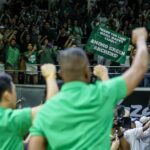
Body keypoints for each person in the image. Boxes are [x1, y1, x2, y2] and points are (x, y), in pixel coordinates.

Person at [28, 27, 148, 150]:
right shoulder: (101, 94)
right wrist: (140, 40)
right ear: (88, 72)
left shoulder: (47, 109)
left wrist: (49, 77)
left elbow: (34, 147)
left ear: (60, 73)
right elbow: (139, 68)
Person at [0, 64, 58, 150]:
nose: (15, 94)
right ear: (7, 96)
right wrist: (50, 76)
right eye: (14, 90)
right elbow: (50, 108)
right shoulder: (10, 119)